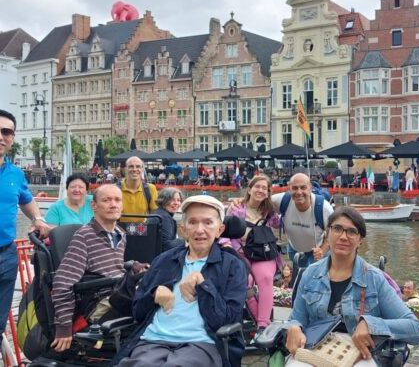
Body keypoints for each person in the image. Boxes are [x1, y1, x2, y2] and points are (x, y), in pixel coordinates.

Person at [114, 195, 247, 367]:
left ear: (219, 230)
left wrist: (202, 284)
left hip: (200, 343)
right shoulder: (164, 260)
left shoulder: (232, 266)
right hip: (153, 341)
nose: (200, 229)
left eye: (208, 222)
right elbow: (138, 312)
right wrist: (153, 294)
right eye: (192, 222)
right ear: (183, 229)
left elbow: (227, 321)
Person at [285, 207, 419, 365]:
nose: (343, 237)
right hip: (316, 347)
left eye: (352, 231)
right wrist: (294, 327)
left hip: (357, 352)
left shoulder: (374, 278)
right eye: (337, 228)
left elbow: (415, 329)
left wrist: (370, 324)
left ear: (360, 240)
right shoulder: (310, 274)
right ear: (327, 234)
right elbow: (296, 319)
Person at [51, 184, 144, 352]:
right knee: (150, 303)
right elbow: (62, 283)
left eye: (117, 200)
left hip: (116, 292)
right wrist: (63, 326)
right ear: (93, 205)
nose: (113, 204)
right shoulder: (84, 236)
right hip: (97, 304)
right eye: (106, 200)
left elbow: (106, 267)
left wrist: (132, 266)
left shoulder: (120, 234)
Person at [0, 109, 50, 346]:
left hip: (6, 255)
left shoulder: (15, 174)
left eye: (6, 131)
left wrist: (38, 219)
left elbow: (25, 199)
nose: (1, 136)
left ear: (12, 137)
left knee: (0, 321)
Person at [224, 175, 282, 330]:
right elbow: (224, 231)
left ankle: (263, 324)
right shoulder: (236, 209)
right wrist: (228, 246)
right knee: (245, 282)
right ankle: (261, 322)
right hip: (240, 253)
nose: (260, 190)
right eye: (257, 187)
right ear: (249, 189)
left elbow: (280, 223)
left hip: (262, 253)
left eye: (265, 188)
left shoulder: (269, 211)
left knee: (265, 278)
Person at [120, 156, 158, 222]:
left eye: (138, 166)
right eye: (131, 166)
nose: (134, 169)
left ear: (143, 169)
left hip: (142, 230)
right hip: (119, 229)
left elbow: (154, 213)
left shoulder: (150, 189)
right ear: (125, 169)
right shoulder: (116, 189)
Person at [152, 187, 183, 252]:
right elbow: (167, 246)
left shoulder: (160, 213)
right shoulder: (164, 217)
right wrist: (185, 241)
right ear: (163, 200)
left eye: (178, 200)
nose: (176, 203)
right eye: (172, 200)